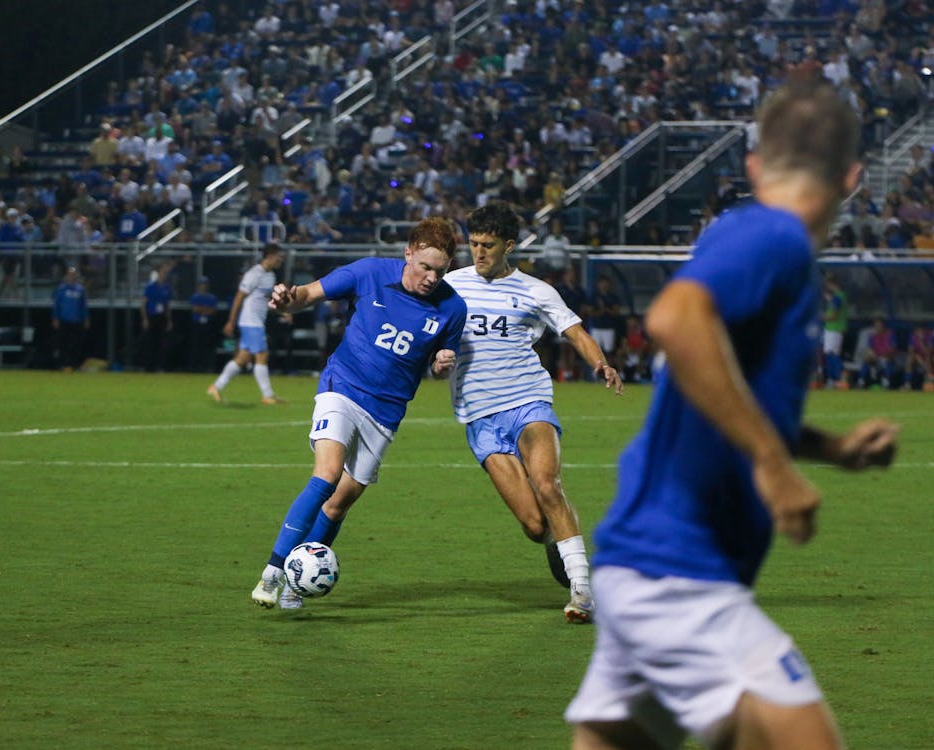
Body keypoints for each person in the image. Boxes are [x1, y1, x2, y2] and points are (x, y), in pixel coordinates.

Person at [566, 75, 900, 750]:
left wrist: (829, 449)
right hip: (678, 570)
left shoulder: (757, 238)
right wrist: (773, 466)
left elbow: (725, 393)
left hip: (647, 561)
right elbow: (674, 316)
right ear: (853, 178)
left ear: (753, 165)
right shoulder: (774, 239)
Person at [251, 217, 466, 610]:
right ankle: (273, 571)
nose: (432, 277)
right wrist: (287, 298)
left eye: (441, 270)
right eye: (425, 266)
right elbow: (308, 294)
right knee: (327, 475)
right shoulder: (369, 273)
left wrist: (442, 367)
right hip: (343, 387)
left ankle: (296, 588)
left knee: (338, 504)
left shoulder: (453, 308)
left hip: (385, 413)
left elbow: (437, 366)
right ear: (408, 253)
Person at [444, 203, 623, 624]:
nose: (479, 252)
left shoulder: (536, 290)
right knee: (533, 524)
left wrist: (601, 363)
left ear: (509, 246)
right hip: (479, 416)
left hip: (528, 400)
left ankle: (582, 590)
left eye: (487, 245)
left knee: (547, 483)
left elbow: (574, 331)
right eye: (472, 244)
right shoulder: (451, 286)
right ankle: (557, 541)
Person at [207, 244, 287, 404]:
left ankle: (215, 387)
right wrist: (231, 321)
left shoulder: (270, 275)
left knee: (242, 359)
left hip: (256, 321)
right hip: (251, 322)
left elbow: (265, 301)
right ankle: (267, 395)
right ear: (270, 255)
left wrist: (284, 312)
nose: (281, 259)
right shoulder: (254, 274)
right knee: (262, 355)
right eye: (279, 256)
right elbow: (239, 297)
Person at [52, 266, 90, 372]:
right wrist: (55, 318)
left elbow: (83, 305)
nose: (72, 277)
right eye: (70, 274)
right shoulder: (61, 289)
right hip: (64, 320)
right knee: (63, 343)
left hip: (77, 320)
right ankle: (61, 364)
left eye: (74, 275)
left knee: (76, 344)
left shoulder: (80, 289)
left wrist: (86, 318)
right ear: (66, 276)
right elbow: (56, 304)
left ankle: (73, 364)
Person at [140, 262, 174, 372]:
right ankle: (149, 367)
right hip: (152, 316)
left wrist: (169, 320)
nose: (164, 274)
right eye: (163, 272)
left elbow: (167, 305)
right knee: (150, 342)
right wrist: (145, 319)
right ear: (158, 273)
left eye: (165, 273)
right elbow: (144, 303)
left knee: (162, 343)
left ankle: (161, 366)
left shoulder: (167, 287)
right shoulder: (150, 287)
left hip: (162, 316)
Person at [821, 272, 847, 387]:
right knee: (830, 353)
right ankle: (833, 379)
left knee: (831, 354)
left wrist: (822, 317)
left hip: (834, 328)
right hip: (834, 329)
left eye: (828, 284)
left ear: (832, 284)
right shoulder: (840, 296)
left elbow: (834, 315)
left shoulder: (837, 297)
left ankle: (840, 377)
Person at [188, 275, 219, 372]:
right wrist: (205, 309)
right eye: (202, 284)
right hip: (197, 324)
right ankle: (195, 367)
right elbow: (194, 309)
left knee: (208, 346)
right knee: (196, 346)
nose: (203, 286)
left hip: (208, 324)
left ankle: (208, 367)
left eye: (205, 284)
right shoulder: (195, 297)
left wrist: (201, 309)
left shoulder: (212, 297)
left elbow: (212, 311)